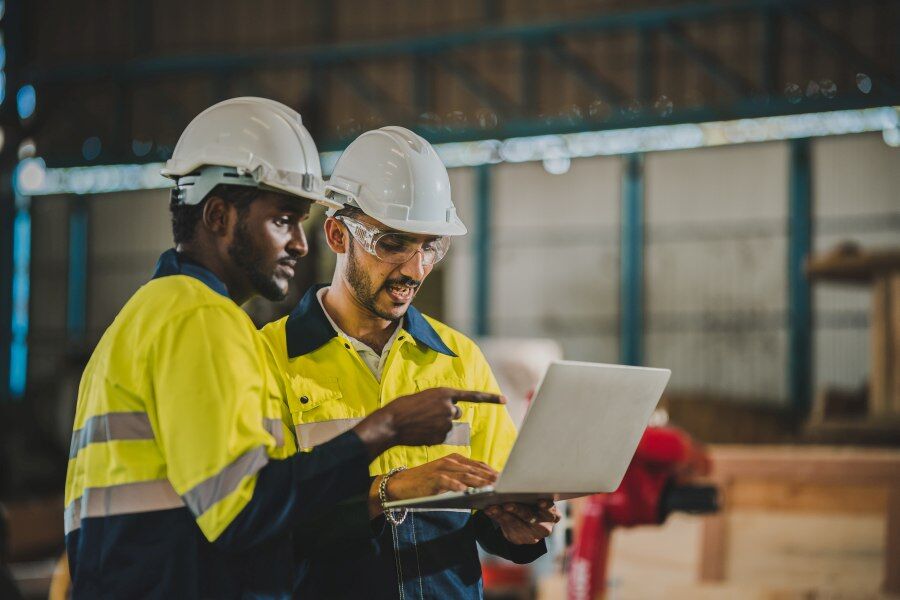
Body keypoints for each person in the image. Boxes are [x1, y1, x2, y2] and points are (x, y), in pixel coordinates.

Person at [63, 100, 503, 599]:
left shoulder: (151, 311)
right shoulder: (204, 320)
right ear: (217, 215)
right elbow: (245, 513)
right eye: (282, 220)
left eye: (429, 247)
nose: (298, 243)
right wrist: (385, 433)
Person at [261, 126, 559, 599]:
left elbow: (489, 504)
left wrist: (514, 530)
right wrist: (388, 491)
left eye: (430, 247)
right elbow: (261, 523)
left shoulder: (459, 359)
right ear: (338, 234)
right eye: (393, 244)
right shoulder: (267, 361)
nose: (414, 270)